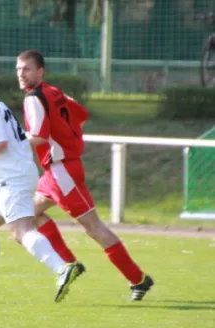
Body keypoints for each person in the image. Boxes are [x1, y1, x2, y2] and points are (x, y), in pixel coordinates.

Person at [15, 49, 154, 301]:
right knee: (26, 213)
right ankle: (69, 264)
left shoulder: (34, 98)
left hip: (62, 172)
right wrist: (69, 139)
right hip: (58, 170)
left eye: (26, 69)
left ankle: (138, 279)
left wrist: (11, 143)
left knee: (94, 228)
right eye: (18, 69)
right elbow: (81, 115)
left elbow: (39, 136)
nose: (21, 74)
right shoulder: (55, 92)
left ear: (40, 71)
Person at [0, 63, 85, 303]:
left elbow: (0, 144)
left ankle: (62, 268)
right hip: (10, 176)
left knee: (22, 232)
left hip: (13, 180)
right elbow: (11, 146)